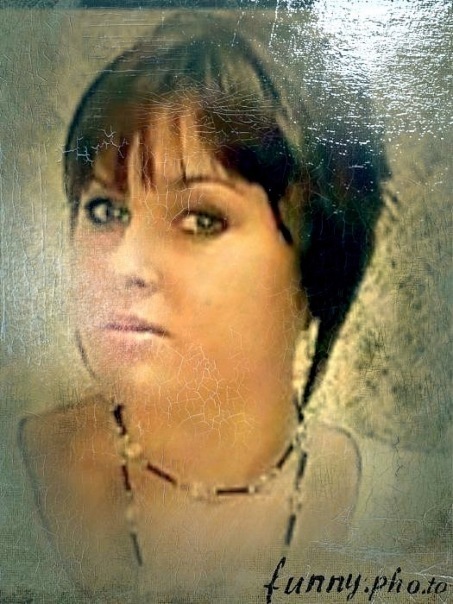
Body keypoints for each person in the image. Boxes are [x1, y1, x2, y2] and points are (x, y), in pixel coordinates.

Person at [19, 12, 387, 602]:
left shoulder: (413, 510)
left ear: (317, 262)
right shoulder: (15, 484)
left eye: (200, 220)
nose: (125, 264)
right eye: (106, 211)